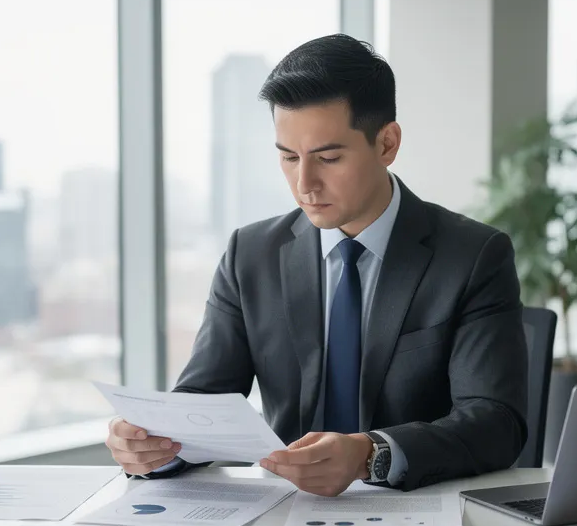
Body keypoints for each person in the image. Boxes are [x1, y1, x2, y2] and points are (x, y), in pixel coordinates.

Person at [105, 33, 527, 495]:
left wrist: (371, 454)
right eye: (288, 157)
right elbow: (203, 401)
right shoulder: (251, 254)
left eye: (328, 157)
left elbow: (495, 422)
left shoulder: (471, 256)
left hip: (418, 510)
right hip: (283, 512)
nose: (304, 183)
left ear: (386, 144)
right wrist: (156, 446)